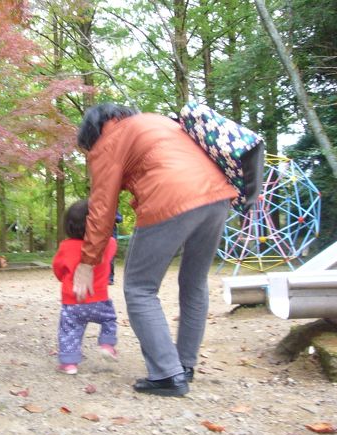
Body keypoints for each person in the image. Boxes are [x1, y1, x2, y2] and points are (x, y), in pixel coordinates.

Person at [73, 103, 237, 397]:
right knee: (194, 282)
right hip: (217, 197)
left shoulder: (108, 141)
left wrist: (87, 261)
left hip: (170, 198)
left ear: (91, 134)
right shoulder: (159, 122)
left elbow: (102, 208)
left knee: (139, 288)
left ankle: (167, 374)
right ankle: (184, 365)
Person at [52, 199, 118, 375]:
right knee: (109, 320)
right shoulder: (109, 244)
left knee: (69, 331)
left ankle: (69, 363)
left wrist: (65, 278)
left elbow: (58, 270)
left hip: (72, 301)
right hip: (99, 299)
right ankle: (107, 344)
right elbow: (110, 250)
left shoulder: (65, 247)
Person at [109, 209, 123, 285]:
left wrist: (113, 217)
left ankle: (110, 278)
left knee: (110, 258)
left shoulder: (113, 208)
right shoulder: (99, 207)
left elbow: (120, 219)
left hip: (112, 237)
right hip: (100, 236)